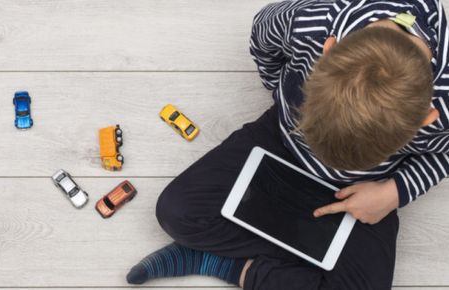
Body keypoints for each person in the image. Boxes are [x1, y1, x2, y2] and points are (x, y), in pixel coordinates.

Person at [126, 0, 449, 289]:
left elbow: (444, 155)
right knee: (176, 211)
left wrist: (393, 192)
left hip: (362, 190)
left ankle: (226, 264)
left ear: (427, 117)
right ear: (328, 48)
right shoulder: (313, 21)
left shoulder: (445, 104)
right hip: (283, 140)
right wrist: (277, 88)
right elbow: (263, 33)